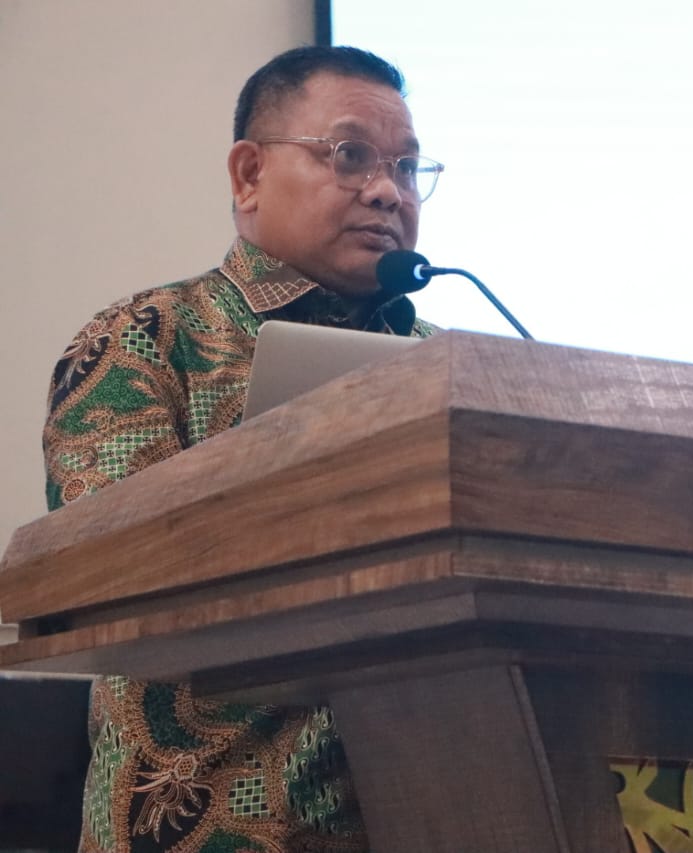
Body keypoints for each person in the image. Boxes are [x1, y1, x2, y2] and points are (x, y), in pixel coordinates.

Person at [43, 45, 441, 853]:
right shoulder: (144, 339)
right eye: (350, 155)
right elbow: (110, 566)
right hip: (214, 822)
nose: (387, 191)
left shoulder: (449, 364)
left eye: (406, 167)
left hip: (432, 809)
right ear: (250, 174)